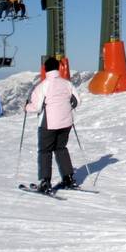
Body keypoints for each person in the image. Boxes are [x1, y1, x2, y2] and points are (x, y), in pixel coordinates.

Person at [25, 57, 79, 193]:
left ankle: (45, 182)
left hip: (49, 123)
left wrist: (26, 107)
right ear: (59, 68)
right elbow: (77, 100)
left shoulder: (42, 86)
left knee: (45, 151)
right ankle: (68, 178)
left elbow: (36, 107)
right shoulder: (67, 84)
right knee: (61, 148)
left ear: (45, 69)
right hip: (66, 122)